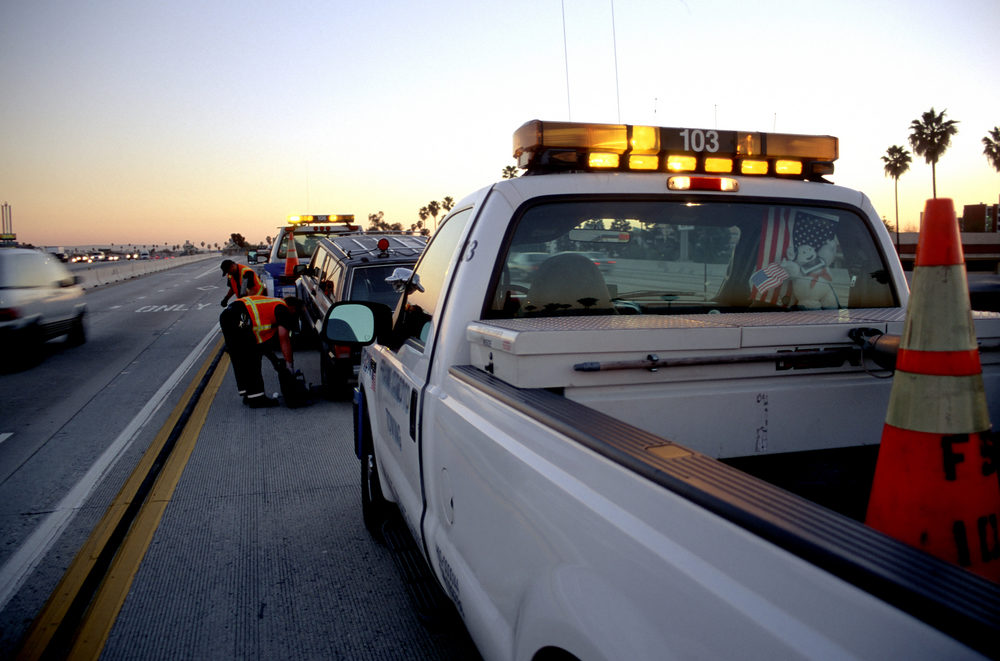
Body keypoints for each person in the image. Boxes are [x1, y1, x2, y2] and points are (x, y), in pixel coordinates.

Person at [219, 295, 304, 407]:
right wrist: (289, 366)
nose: (294, 316)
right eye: (296, 312)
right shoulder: (283, 308)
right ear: (292, 308)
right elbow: (284, 338)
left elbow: (262, 344)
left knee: (239, 357)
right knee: (252, 357)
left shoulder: (270, 306)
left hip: (228, 315)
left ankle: (248, 394)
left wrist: (275, 361)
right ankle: (257, 398)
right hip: (240, 317)